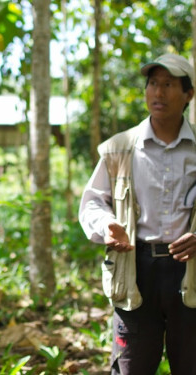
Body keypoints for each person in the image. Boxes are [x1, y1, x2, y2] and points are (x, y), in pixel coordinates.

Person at [79, 53, 196, 375]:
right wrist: (108, 224)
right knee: (131, 367)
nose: (158, 93)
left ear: (188, 94)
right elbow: (92, 201)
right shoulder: (119, 148)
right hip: (135, 270)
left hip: (191, 273)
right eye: (153, 84)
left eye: (169, 85)